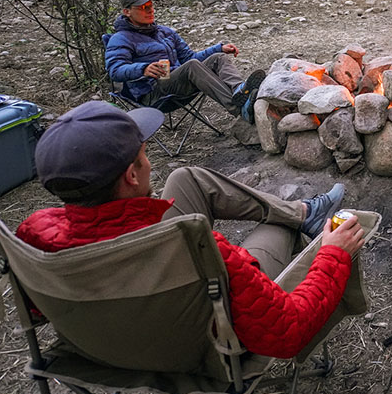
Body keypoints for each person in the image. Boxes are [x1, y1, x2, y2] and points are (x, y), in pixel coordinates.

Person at [19, 100, 368, 359]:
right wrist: (333, 254)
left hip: (102, 344)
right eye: (144, 155)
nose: (149, 162)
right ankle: (301, 220)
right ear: (132, 175)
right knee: (281, 229)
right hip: (201, 347)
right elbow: (286, 332)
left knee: (185, 179)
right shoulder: (192, 246)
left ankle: (302, 210)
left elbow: (34, 312)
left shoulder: (33, 239)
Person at [105, 0, 265, 122]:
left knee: (219, 58)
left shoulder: (164, 32)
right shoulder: (120, 38)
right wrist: (143, 69)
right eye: (143, 7)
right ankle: (239, 108)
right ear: (127, 12)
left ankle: (239, 91)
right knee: (192, 67)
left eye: (151, 5)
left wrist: (218, 48)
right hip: (152, 93)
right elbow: (114, 70)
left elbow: (189, 57)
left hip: (177, 83)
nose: (150, 10)